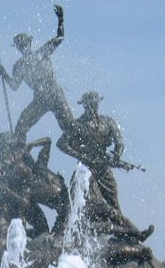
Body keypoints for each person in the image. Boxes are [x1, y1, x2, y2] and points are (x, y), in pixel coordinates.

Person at [57, 91, 153, 242]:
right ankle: (131, 233)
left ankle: (127, 235)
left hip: (103, 169)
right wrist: (82, 156)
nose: (93, 107)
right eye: (90, 104)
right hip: (86, 173)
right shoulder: (77, 125)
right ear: (84, 105)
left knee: (114, 205)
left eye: (95, 104)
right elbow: (61, 143)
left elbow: (119, 143)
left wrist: (116, 155)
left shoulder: (108, 122)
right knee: (99, 207)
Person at [0, 4, 73, 140]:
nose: (23, 46)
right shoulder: (21, 64)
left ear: (29, 44)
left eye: (24, 43)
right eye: (21, 45)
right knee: (21, 125)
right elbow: (14, 86)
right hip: (40, 98)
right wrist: (5, 75)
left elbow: (60, 37)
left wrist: (61, 19)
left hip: (53, 94)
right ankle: (19, 150)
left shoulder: (42, 52)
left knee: (69, 127)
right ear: (19, 47)